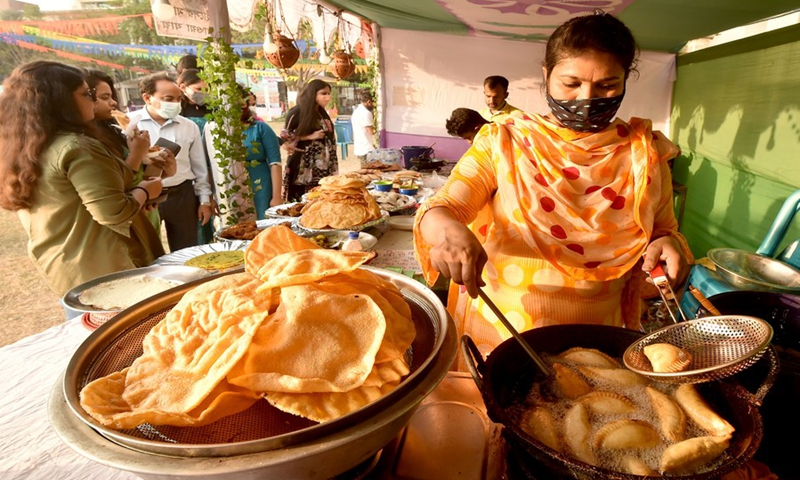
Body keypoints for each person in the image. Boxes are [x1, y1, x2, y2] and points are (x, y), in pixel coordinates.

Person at [414, 13, 693, 359]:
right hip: (503, 329)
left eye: (607, 85)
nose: (586, 99)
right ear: (546, 77)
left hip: (597, 335)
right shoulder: (505, 141)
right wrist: (447, 232)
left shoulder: (643, 153)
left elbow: (664, 229)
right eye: (571, 84)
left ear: (625, 81)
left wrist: (667, 244)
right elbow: (443, 208)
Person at [0, 61, 164, 295]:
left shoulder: (24, 146)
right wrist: (148, 190)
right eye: (87, 94)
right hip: (104, 268)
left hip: (65, 264)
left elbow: (101, 192)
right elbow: (114, 213)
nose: (95, 100)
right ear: (59, 100)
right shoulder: (76, 146)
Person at [84, 69, 176, 235]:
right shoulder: (85, 145)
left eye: (112, 97)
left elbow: (139, 178)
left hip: (145, 216)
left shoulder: (118, 131)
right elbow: (115, 187)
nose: (113, 103)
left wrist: (164, 172)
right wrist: (136, 154)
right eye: (105, 97)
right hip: (122, 226)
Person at [128, 74, 213, 252]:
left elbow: (199, 167)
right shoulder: (129, 124)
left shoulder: (188, 126)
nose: (175, 103)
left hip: (182, 194)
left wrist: (204, 200)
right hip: (144, 195)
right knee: (147, 248)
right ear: (147, 97)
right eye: (168, 99)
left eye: (178, 99)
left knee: (187, 250)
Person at [205, 86, 283, 224]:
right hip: (229, 188)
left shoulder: (259, 128)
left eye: (243, 101)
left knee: (262, 225)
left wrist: (276, 196)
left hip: (260, 186)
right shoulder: (214, 131)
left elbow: (275, 163)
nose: (241, 105)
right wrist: (211, 197)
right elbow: (208, 166)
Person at [281, 79, 338, 201]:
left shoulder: (321, 112)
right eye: (323, 93)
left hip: (323, 166)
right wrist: (309, 137)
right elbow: (285, 136)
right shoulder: (297, 112)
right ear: (313, 93)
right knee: (302, 202)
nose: (327, 98)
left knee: (321, 200)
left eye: (329, 94)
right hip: (304, 167)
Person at [176, 68, 215, 244]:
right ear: (183, 87)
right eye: (199, 89)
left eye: (206, 90)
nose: (203, 94)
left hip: (212, 170)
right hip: (188, 174)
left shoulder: (212, 110)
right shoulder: (178, 115)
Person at [351, 89, 375, 165]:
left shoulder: (356, 111)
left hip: (360, 147)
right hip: (366, 148)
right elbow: (370, 131)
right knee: (368, 172)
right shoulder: (366, 113)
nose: (373, 106)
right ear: (369, 102)